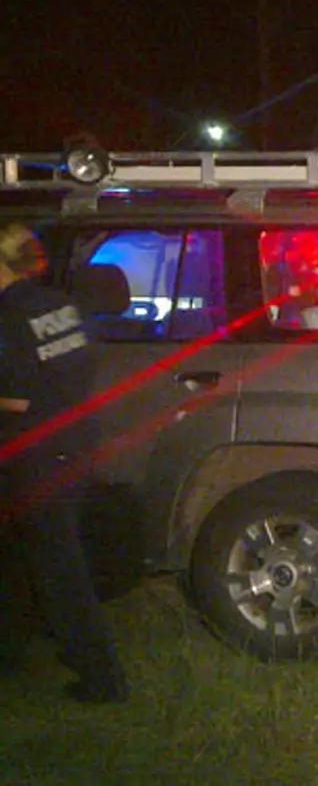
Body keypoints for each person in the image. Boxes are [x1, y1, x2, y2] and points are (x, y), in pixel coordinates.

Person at [0, 223, 129, 703]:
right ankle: (11, 655)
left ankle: (103, 679)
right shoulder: (62, 305)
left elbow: (16, 399)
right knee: (24, 559)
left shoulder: (9, 316)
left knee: (60, 571)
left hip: (34, 455)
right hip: (74, 445)